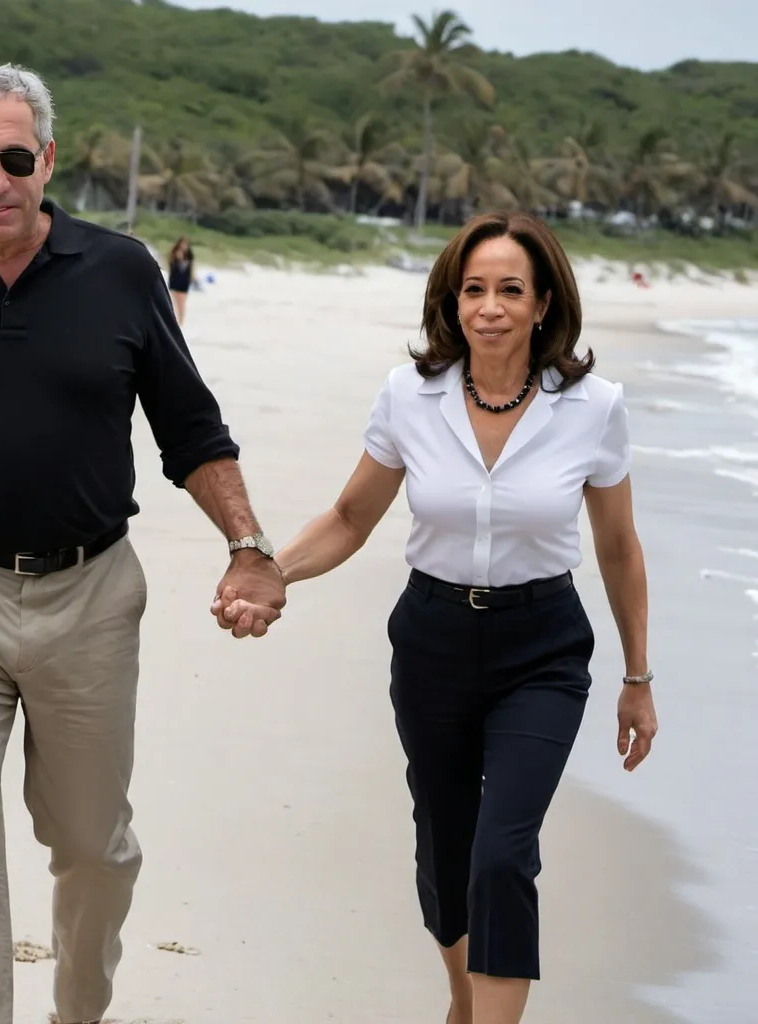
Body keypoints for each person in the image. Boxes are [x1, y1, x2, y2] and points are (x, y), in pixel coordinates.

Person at [0, 63, 285, 1024]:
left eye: (17, 158)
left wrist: (248, 542)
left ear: (48, 161)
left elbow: (190, 428)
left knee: (91, 847)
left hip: (92, 592)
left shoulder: (120, 272)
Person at [213, 211, 659, 1024]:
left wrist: (638, 678)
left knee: (502, 855)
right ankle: (462, 999)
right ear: (452, 302)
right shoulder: (409, 396)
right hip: (433, 642)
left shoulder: (593, 406)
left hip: (543, 649)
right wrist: (274, 574)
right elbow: (351, 517)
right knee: (445, 853)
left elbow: (621, 548)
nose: (490, 306)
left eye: (510, 290)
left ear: (543, 301)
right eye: (474, 289)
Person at [167, 235, 194, 324]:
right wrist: (177, 258)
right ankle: (175, 321)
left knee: (182, 302)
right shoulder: (175, 253)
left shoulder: (189, 255)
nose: (184, 246)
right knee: (174, 302)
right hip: (175, 281)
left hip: (184, 282)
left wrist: (193, 278)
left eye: (186, 244)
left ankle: (181, 321)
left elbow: (191, 268)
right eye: (182, 244)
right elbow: (171, 266)